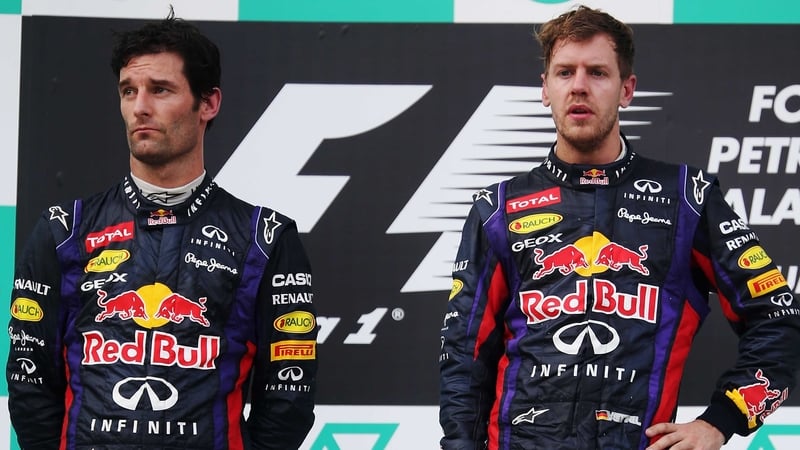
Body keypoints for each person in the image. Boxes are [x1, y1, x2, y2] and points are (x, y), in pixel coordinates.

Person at [439, 5, 800, 450]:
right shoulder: (498, 208)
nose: (579, 87)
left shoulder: (687, 198)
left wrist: (720, 422)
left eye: (598, 73)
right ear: (545, 90)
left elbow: (779, 318)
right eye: (565, 72)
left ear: (626, 89)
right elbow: (463, 358)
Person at [6, 10, 317, 449]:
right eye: (128, 91)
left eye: (161, 90)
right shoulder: (63, 232)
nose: (140, 107)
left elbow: (288, 399)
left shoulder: (265, 239)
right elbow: (30, 386)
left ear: (208, 103)